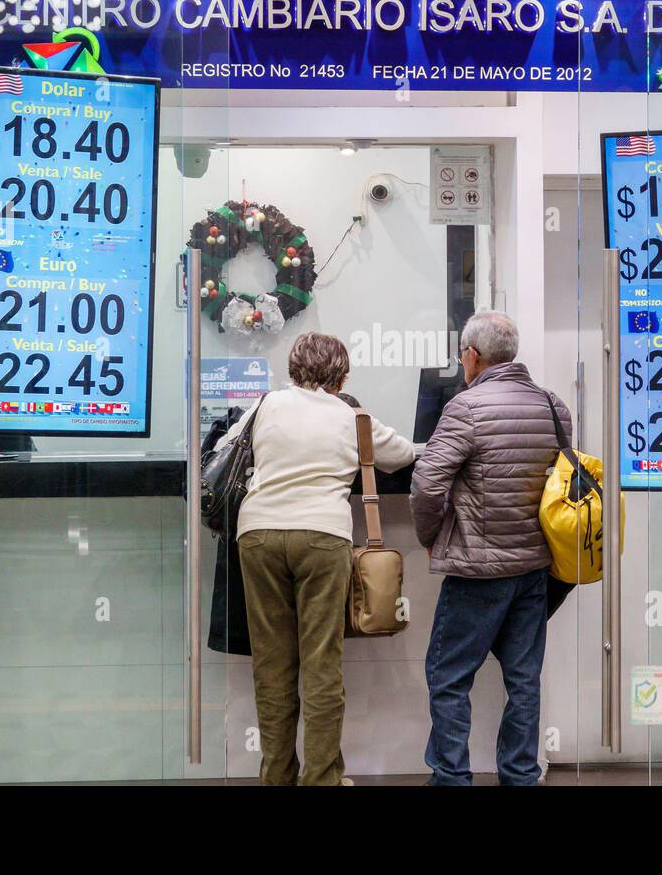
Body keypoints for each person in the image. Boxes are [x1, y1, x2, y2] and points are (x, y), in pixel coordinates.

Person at [221, 332, 414, 786]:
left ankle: (277, 777)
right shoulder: (352, 416)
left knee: (272, 664)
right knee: (321, 665)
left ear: (292, 368)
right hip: (322, 538)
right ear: (342, 374)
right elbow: (403, 455)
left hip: (258, 534)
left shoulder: (265, 405)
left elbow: (226, 445)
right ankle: (322, 779)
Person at [410, 310, 570, 786]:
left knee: (449, 676)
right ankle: (521, 775)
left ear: (473, 357)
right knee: (523, 680)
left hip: (479, 572)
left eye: (463, 355)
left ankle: (451, 778)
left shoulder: (467, 407)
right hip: (534, 569)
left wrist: (431, 537)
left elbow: (426, 483)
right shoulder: (552, 405)